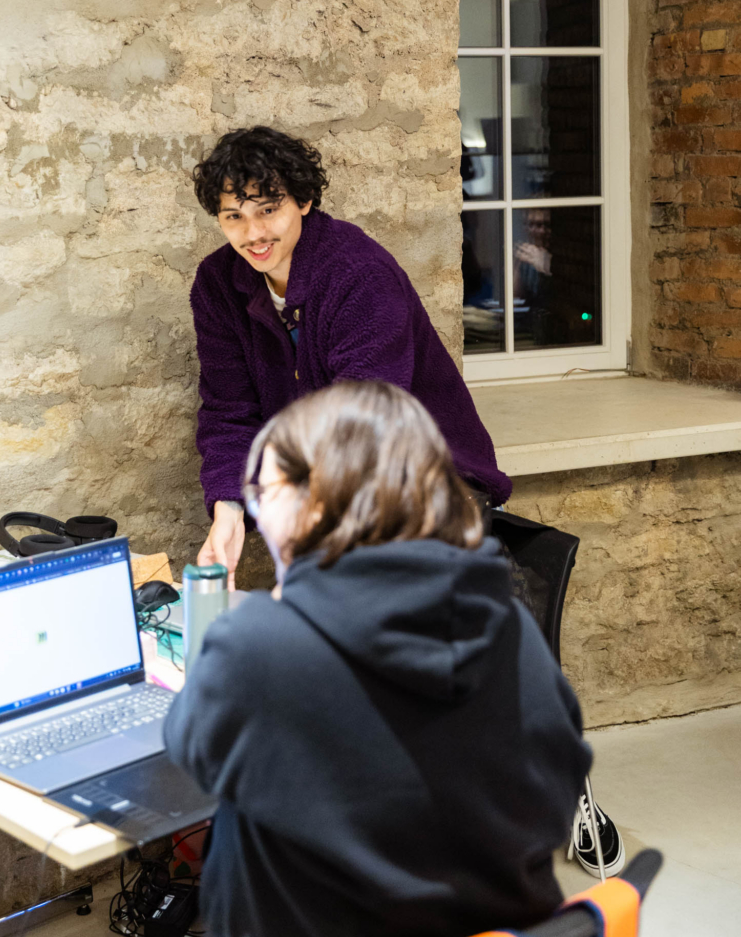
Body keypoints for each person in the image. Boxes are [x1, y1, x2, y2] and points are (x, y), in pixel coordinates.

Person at [164, 381, 592, 937]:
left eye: (264, 493)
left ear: (314, 507)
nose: (259, 517)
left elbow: (191, 754)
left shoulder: (260, 644)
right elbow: (557, 798)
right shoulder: (508, 625)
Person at [190, 126, 511, 588]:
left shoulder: (358, 273)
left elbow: (365, 426)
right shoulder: (218, 284)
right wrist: (229, 509)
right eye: (234, 216)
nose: (253, 233)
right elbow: (229, 412)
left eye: (268, 210)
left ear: (303, 200)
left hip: (429, 488)